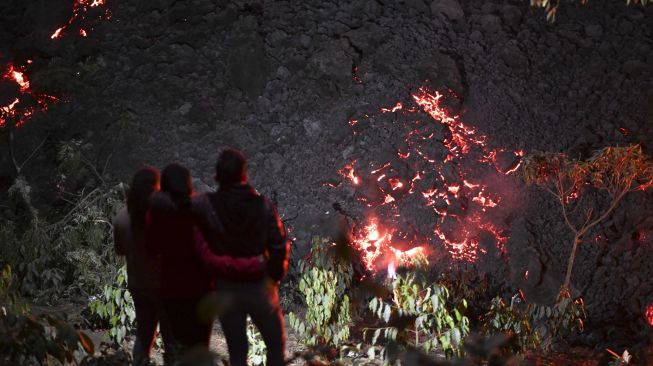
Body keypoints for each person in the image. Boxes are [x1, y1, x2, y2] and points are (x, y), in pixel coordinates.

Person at [145, 163, 265, 360]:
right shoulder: (199, 213)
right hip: (199, 291)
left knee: (173, 349)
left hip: (168, 290)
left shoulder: (156, 215)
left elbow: (151, 249)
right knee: (199, 349)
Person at [193, 148, 290, 366]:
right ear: (244, 175)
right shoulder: (262, 205)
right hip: (258, 284)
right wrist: (273, 277)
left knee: (237, 351)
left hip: (226, 286)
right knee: (275, 345)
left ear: (217, 177)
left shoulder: (206, 205)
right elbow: (278, 245)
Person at [112, 167, 173, 366]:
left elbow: (120, 250)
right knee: (171, 339)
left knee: (144, 335)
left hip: (139, 285)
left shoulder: (122, 217)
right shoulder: (164, 215)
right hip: (165, 287)